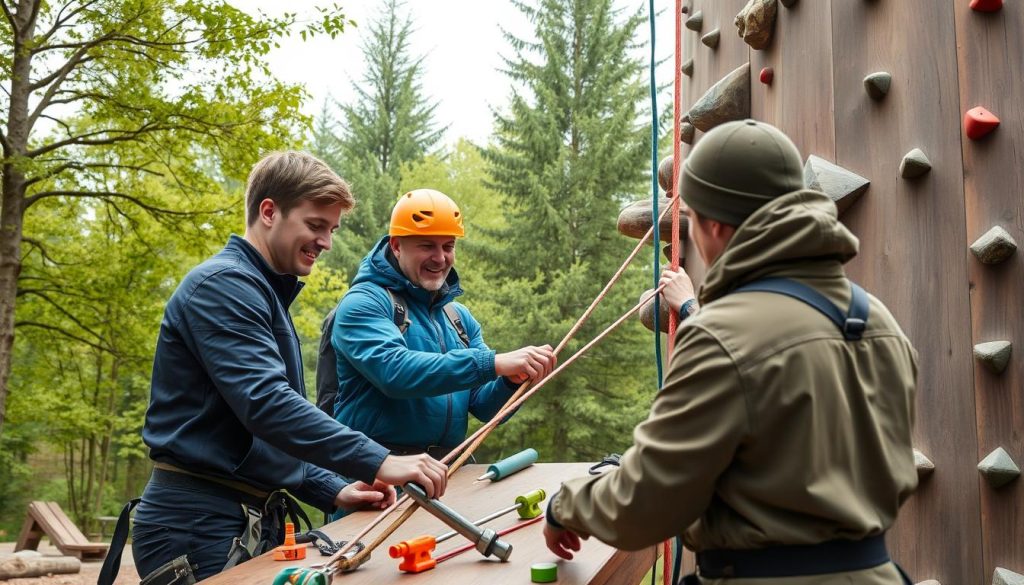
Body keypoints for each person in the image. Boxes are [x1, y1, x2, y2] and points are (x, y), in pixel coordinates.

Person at [542, 120, 919, 584]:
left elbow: (645, 504)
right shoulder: (878, 321)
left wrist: (564, 505)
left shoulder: (722, 334)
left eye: (693, 219)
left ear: (714, 226)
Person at [128, 152, 448, 582]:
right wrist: (376, 460)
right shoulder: (223, 286)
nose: (327, 242)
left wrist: (334, 487)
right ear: (268, 212)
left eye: (331, 230)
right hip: (196, 525)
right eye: (316, 225)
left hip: (237, 518)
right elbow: (267, 406)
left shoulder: (262, 294)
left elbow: (262, 433)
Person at [328, 189, 556, 467]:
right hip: (376, 479)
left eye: (448, 246)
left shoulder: (457, 317)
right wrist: (493, 363)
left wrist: (511, 380)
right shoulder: (364, 302)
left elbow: (483, 405)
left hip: (444, 474)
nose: (440, 258)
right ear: (397, 246)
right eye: (427, 246)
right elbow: (395, 372)